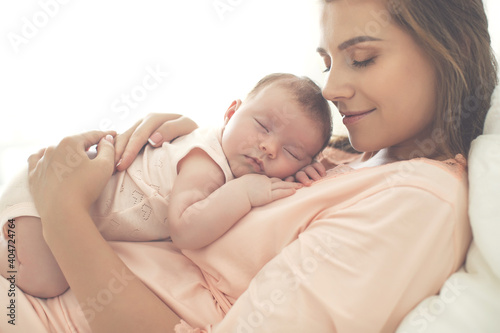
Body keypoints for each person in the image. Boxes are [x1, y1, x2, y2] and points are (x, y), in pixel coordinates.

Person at [0, 0, 497, 332]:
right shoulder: (349, 155)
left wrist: (63, 207)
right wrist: (180, 142)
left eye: (362, 59)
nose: (330, 89)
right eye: (328, 62)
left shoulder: (417, 202)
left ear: (448, 52)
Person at [0, 73, 332, 298]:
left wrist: (293, 175)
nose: (269, 148)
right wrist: (245, 193)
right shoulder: (206, 161)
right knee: (46, 279)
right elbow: (186, 227)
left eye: (292, 151)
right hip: (44, 193)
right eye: (262, 126)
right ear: (231, 112)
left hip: (61, 198)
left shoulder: (236, 161)